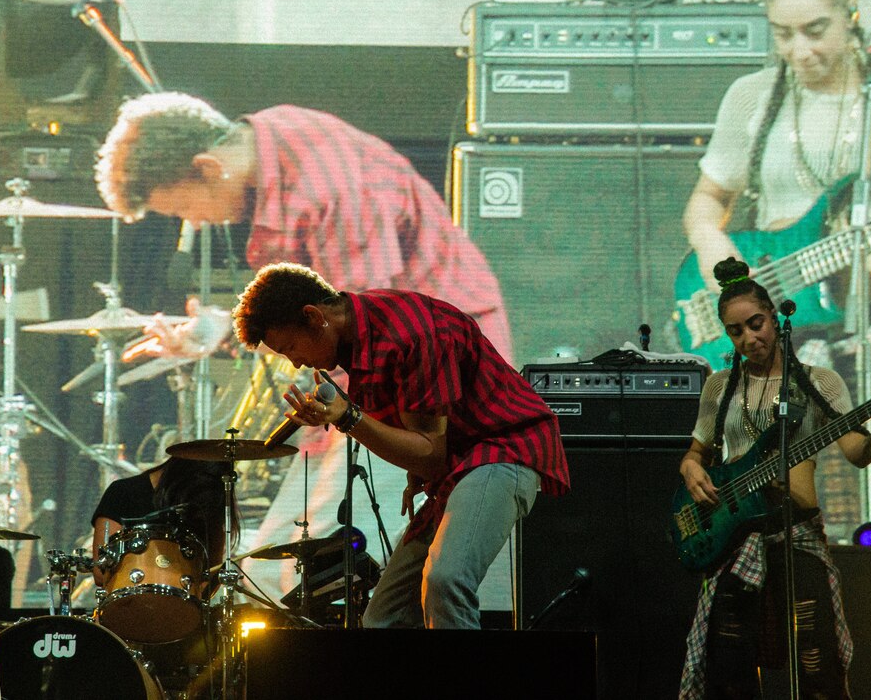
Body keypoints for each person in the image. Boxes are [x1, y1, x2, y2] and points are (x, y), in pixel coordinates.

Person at [93, 92, 517, 604]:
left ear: (207, 167)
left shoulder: (330, 189)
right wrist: (222, 332)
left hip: (426, 378)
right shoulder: (273, 138)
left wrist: (333, 416)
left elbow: (366, 327)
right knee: (280, 562)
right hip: (383, 373)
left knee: (336, 567)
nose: (198, 223)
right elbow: (317, 315)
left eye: (185, 208)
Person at [681, 0, 871, 600]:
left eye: (815, 31)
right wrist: (736, 277)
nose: (798, 51)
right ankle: (824, 616)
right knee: (813, 487)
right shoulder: (753, 96)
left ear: (850, 14)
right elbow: (704, 207)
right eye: (782, 34)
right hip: (792, 328)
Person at [230, 262, 569, 629]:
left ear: (314, 317)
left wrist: (348, 418)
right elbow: (423, 441)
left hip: (503, 448)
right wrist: (411, 469)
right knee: (383, 616)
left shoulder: (410, 334)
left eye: (291, 348)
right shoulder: (361, 336)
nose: (295, 362)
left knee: (447, 581)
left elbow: (430, 452)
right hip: (459, 467)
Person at [678, 257, 871, 698]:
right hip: (735, 539)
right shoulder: (718, 386)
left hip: (797, 534)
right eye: (736, 331)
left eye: (756, 323)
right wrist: (691, 468)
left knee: (817, 658)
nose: (750, 337)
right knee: (728, 664)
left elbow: (858, 453)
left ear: (775, 317)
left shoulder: (818, 384)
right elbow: (696, 453)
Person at [91, 456, 229, 590]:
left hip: (182, 609)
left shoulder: (205, 506)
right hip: (128, 606)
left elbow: (211, 572)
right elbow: (100, 572)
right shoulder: (122, 492)